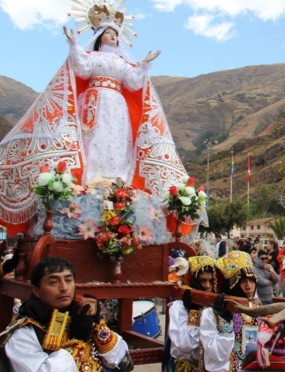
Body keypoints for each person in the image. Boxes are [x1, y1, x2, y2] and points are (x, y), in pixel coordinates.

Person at [0, 2, 190, 236]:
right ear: (100, 36)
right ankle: (91, 178)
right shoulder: (91, 56)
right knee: (94, 138)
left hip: (117, 105)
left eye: (115, 34)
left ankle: (117, 179)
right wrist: (73, 45)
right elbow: (82, 70)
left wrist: (144, 64)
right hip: (94, 101)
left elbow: (133, 82)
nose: (113, 36)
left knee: (119, 141)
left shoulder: (123, 63)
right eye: (108, 33)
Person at [4, 257, 132, 371]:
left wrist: (96, 325)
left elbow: (123, 362)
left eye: (68, 280)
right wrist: (76, 341)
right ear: (36, 291)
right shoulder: (24, 333)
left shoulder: (78, 314)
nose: (64, 287)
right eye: (53, 282)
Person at [201, 250, 260, 371]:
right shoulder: (211, 314)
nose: (249, 286)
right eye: (243, 281)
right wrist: (225, 324)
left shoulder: (255, 310)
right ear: (232, 285)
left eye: (252, 280)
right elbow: (217, 354)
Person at [165, 255, 217, 371]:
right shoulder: (179, 307)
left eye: (211, 281)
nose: (208, 286)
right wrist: (194, 311)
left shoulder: (213, 305)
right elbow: (185, 345)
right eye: (203, 281)